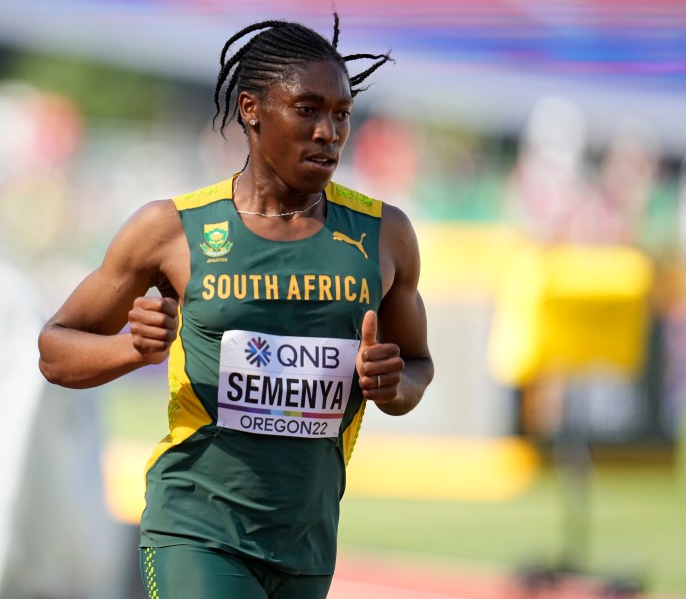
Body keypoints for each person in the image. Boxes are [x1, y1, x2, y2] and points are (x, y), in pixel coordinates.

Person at [38, 12, 433, 599]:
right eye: (308, 110)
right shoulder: (169, 230)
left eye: (342, 115)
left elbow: (418, 366)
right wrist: (131, 348)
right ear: (251, 109)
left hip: (307, 540)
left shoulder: (385, 235)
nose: (329, 132)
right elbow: (54, 350)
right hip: (196, 528)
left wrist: (391, 385)